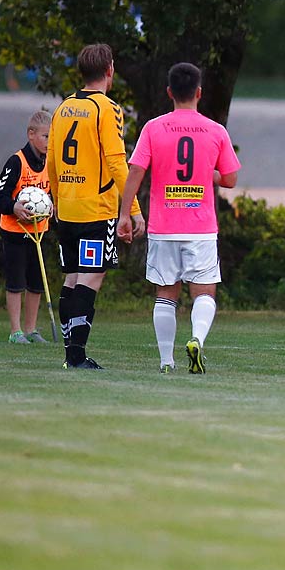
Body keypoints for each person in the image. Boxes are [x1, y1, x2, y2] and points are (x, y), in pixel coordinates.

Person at [117, 63, 240, 374]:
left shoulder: (153, 128)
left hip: (163, 226)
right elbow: (230, 179)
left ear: (169, 92)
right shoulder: (215, 130)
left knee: (165, 292)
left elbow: (136, 172)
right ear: (199, 93)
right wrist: (206, 175)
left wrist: (125, 214)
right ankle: (196, 338)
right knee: (204, 292)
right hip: (200, 227)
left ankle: (166, 361)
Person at [47, 43, 142, 370]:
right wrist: (133, 209)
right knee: (92, 277)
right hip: (95, 210)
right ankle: (76, 356)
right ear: (110, 70)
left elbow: (51, 163)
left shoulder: (62, 109)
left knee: (72, 277)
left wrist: (57, 202)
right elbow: (117, 163)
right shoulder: (107, 109)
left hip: (68, 208)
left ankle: (70, 354)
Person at [0, 108, 53, 345]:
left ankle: (31, 329)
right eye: (46, 136)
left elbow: (51, 193)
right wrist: (15, 208)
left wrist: (50, 207)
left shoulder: (51, 161)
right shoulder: (16, 161)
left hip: (39, 233)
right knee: (16, 282)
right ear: (31, 134)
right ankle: (15, 331)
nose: (50, 142)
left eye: (52, 136)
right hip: (15, 232)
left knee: (36, 283)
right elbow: (0, 194)